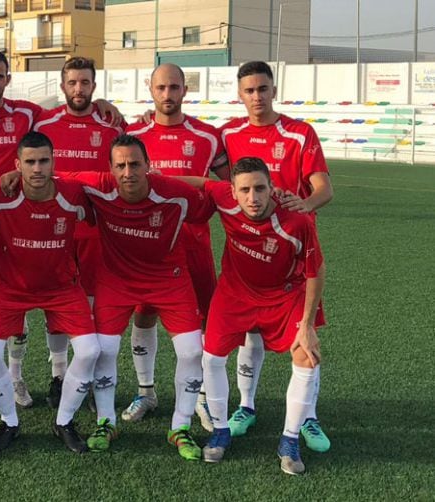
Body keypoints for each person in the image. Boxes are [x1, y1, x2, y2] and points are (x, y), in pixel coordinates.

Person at [3, 135, 212, 458]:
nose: (128, 172)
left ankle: (180, 427)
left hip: (168, 279)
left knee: (191, 350)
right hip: (116, 280)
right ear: (110, 169)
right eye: (120, 166)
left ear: (148, 166)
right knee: (104, 349)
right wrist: (14, 175)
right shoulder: (97, 186)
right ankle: (105, 421)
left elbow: (213, 195)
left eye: (135, 165)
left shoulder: (176, 193)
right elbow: (48, 177)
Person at [0, 50, 119, 409]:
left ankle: (18, 376)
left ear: (8, 79)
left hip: (36, 218)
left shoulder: (29, 115)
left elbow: (78, 108)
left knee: (33, 294)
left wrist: (101, 102)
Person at [220, 60, 333, 453]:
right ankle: (246, 406)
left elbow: (324, 189)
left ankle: (308, 417)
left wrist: (303, 203)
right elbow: (216, 182)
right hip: (249, 249)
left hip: (296, 249)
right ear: (240, 94)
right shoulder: (228, 134)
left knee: (306, 335)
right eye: (249, 90)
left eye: (263, 89)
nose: (256, 96)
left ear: (273, 89)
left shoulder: (299, 134)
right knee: (250, 331)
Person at [192, 157, 325, 475]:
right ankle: (220, 431)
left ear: (272, 188)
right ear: (233, 192)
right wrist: (154, 178)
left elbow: (315, 271)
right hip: (234, 293)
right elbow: (199, 183)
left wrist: (306, 325)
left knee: (307, 356)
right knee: (210, 358)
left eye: (260, 188)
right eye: (245, 190)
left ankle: (289, 440)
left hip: (283, 295)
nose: (253, 198)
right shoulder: (224, 198)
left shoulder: (297, 221)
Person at [122, 63, 227, 425]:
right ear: (150, 90)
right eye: (161, 88)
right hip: (146, 244)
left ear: (185, 90)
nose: (168, 95)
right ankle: (145, 392)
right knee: (143, 313)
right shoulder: (132, 133)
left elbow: (230, 186)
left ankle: (198, 396)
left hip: (193, 243)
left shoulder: (208, 137)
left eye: (174, 87)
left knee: (200, 321)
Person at [0, 132, 99, 455]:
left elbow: (107, 185)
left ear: (54, 163)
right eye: (29, 162)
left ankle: (64, 421)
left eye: (43, 161)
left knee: (89, 351)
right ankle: (9, 422)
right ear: (17, 165)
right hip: (10, 288)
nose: (37, 169)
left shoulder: (73, 194)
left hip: (61, 287)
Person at [32, 56, 122, 408]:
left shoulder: (112, 127)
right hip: (52, 232)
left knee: (91, 305)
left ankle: (84, 377)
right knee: (56, 307)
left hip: (96, 233)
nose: (79, 89)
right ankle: (58, 376)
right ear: (62, 85)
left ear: (94, 87)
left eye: (85, 83)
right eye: (72, 82)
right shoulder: (45, 123)